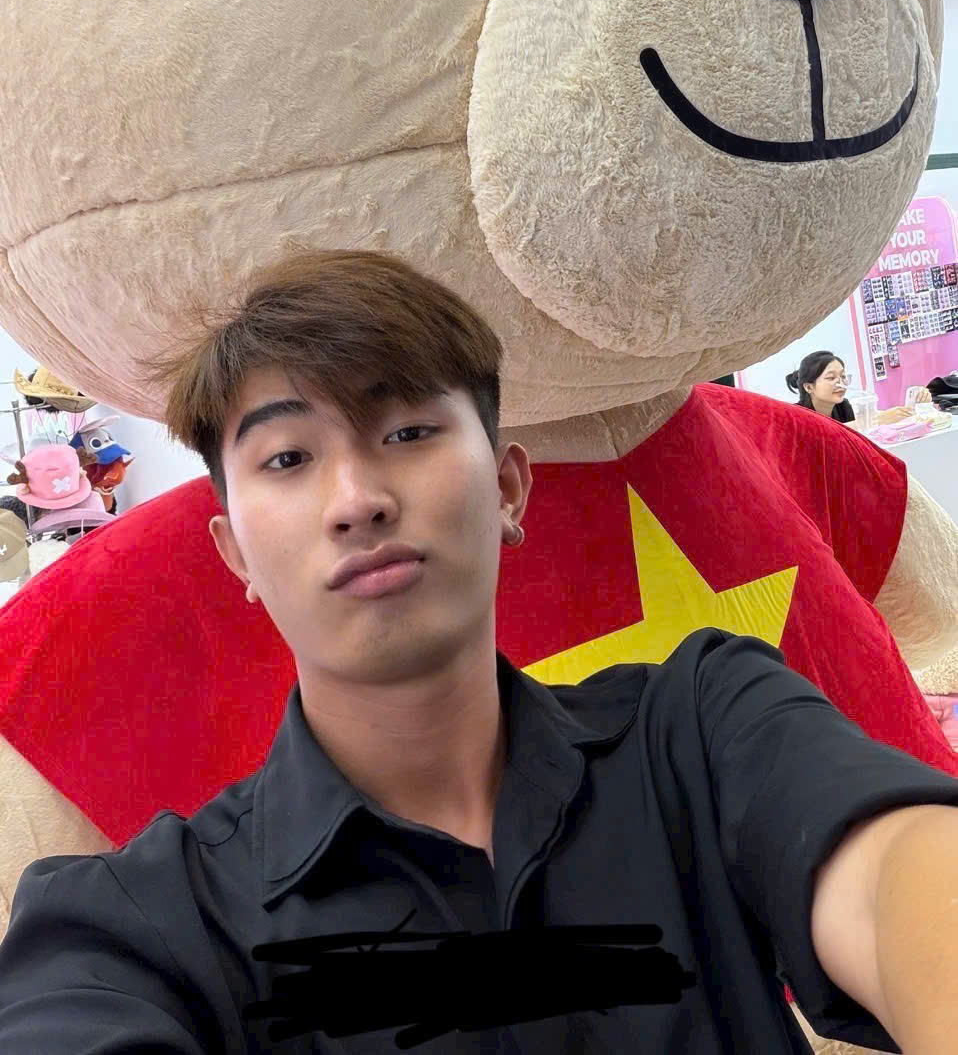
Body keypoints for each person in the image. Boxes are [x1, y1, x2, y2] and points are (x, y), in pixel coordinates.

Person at [1, 250, 957, 1055]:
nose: (357, 499)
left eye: (408, 431)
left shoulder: (705, 732)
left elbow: (897, 877)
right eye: (288, 457)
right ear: (235, 553)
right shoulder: (144, 922)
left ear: (507, 489)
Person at [785, 351, 930, 427]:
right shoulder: (797, 417)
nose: (841, 383)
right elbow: (826, 434)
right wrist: (877, 420)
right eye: (831, 378)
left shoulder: (843, 406)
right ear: (809, 387)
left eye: (843, 376)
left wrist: (916, 400)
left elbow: (870, 420)